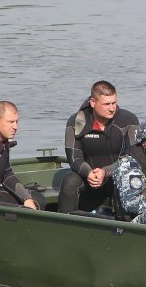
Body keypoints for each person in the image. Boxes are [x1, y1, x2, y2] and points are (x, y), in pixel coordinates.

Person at [58, 80, 139, 213]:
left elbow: (134, 157)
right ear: (93, 102)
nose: (112, 108)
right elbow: (74, 159)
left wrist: (105, 172)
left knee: (128, 178)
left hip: (116, 176)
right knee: (69, 181)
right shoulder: (75, 121)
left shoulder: (128, 120)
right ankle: (64, 226)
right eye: (106, 104)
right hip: (88, 177)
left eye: (114, 103)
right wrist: (89, 173)